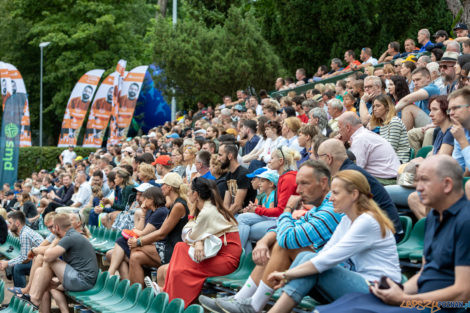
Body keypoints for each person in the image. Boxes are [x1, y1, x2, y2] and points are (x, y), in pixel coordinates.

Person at [318, 155, 470, 313]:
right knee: (350, 302)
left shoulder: (465, 221)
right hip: (420, 301)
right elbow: (425, 272)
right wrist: (398, 292)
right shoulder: (432, 217)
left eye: (424, 180)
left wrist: (405, 300)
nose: (418, 187)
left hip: (445, 308)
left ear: (447, 185)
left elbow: (462, 293)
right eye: (417, 180)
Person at [208, 161, 342, 313]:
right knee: (273, 241)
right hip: (316, 272)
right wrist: (264, 242)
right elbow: (280, 228)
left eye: (304, 183)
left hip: (337, 280)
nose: (298, 190)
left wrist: (288, 209)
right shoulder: (320, 207)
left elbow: (287, 238)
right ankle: (241, 300)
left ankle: (252, 305)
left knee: (283, 244)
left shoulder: (332, 209)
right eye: (298, 184)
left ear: (324, 182)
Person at [266, 170, 400, 313]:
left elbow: (329, 258)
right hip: (364, 284)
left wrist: (287, 275)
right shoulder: (347, 219)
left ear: (354, 195)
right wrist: (289, 274)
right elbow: (325, 253)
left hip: (381, 291)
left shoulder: (367, 221)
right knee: (304, 257)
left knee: (311, 261)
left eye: (335, 193)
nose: (330, 199)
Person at [157, 178, 241, 307]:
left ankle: (173, 301)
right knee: (180, 247)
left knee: (179, 270)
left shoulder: (207, 211)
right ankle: (169, 294)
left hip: (226, 258)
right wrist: (198, 241)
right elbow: (192, 236)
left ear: (196, 194)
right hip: (216, 253)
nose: (187, 193)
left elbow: (188, 235)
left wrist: (197, 239)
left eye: (189, 190)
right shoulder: (207, 208)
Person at [316, 139, 403, 240]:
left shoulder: (348, 176)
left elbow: (333, 214)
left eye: (319, 157)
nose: (317, 161)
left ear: (328, 158)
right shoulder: (348, 171)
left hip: (387, 233)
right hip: (378, 228)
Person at [29, 213, 99, 310]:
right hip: (83, 280)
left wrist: (54, 241)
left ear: (57, 227)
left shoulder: (69, 237)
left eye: (52, 227)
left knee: (50, 260)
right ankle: (33, 297)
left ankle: (34, 298)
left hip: (82, 281)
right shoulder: (72, 235)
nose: (52, 230)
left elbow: (48, 257)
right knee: (43, 282)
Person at [237, 146, 299, 252]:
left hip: (286, 222)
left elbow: (280, 211)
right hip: (280, 218)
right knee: (243, 222)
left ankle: (238, 258)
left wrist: (257, 210)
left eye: (272, 158)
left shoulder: (288, 178)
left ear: (281, 161)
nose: (269, 161)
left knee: (245, 226)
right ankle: (243, 262)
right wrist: (258, 208)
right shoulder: (285, 177)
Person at [107, 186, 168, 281]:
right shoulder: (150, 211)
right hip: (148, 243)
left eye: (145, 198)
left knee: (121, 242)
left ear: (151, 199)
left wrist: (135, 231)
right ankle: (126, 283)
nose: (143, 200)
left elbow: (142, 233)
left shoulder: (161, 212)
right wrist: (143, 215)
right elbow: (139, 230)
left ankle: (111, 274)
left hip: (158, 247)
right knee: (112, 254)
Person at [337, 112, 400, 184]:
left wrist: (337, 148)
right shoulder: (363, 134)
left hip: (386, 181)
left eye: (339, 127)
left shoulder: (360, 138)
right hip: (388, 178)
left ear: (348, 127)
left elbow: (354, 170)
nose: (338, 131)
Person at [0, 211, 43, 288]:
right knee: (15, 265)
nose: (8, 226)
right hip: (37, 259)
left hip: (43, 263)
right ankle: (18, 292)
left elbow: (25, 258)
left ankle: (20, 294)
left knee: (18, 267)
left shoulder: (24, 234)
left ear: (17, 223)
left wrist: (7, 263)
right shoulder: (25, 230)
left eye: (10, 223)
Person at [369, 94, 410, 163]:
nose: (374, 109)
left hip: (399, 161)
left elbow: (390, 149)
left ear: (387, 107)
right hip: (389, 160)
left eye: (378, 106)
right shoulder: (383, 125)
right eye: (373, 106)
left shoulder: (394, 122)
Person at [220, 144, 256, 213]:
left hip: (245, 213)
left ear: (230, 156)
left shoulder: (243, 174)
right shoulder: (228, 175)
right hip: (234, 213)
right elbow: (226, 204)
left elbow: (238, 205)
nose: (219, 158)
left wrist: (225, 219)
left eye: (221, 155)